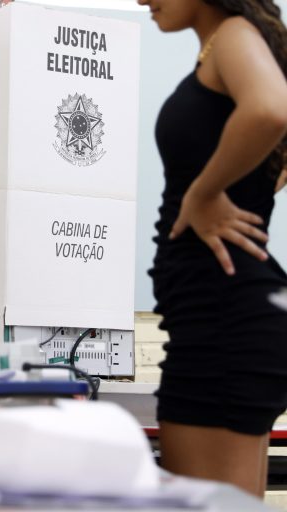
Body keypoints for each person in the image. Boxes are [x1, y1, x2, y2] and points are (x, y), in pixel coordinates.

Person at [139, 0, 287, 496]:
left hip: (224, 317)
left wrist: (203, 194)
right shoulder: (225, 46)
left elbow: (271, 109)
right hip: (217, 316)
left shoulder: (233, 35)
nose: (141, 0)